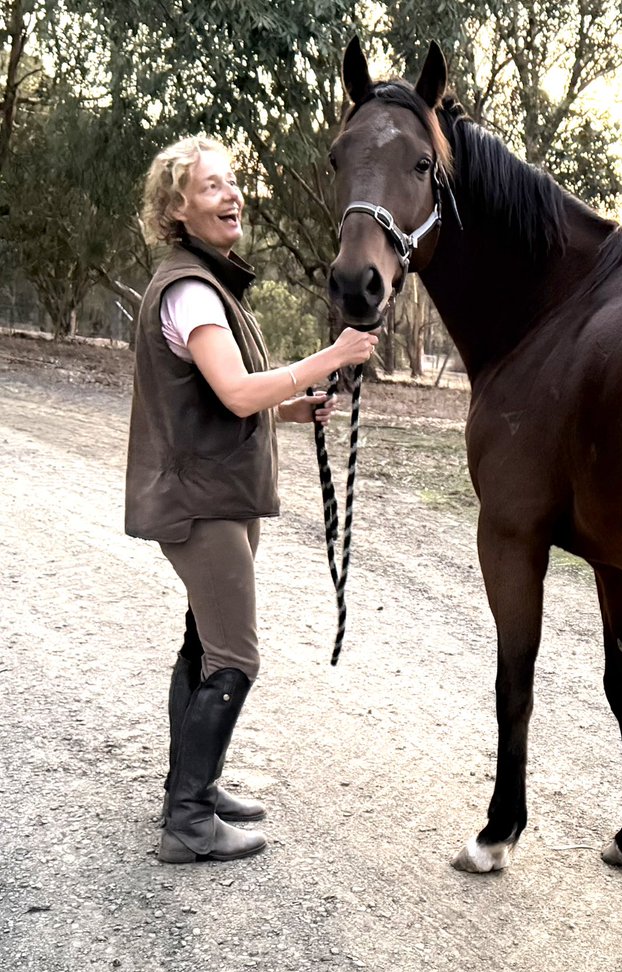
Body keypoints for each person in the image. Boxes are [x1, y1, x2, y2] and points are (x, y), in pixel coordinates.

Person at [125, 135, 377, 864]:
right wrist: (328, 358)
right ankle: (190, 819)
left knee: (207, 643)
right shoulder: (193, 292)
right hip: (200, 503)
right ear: (177, 209)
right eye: (210, 187)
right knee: (234, 655)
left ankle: (188, 787)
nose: (230, 195)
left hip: (217, 493)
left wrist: (294, 408)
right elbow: (236, 390)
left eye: (232, 182)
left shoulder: (207, 283)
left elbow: (222, 398)